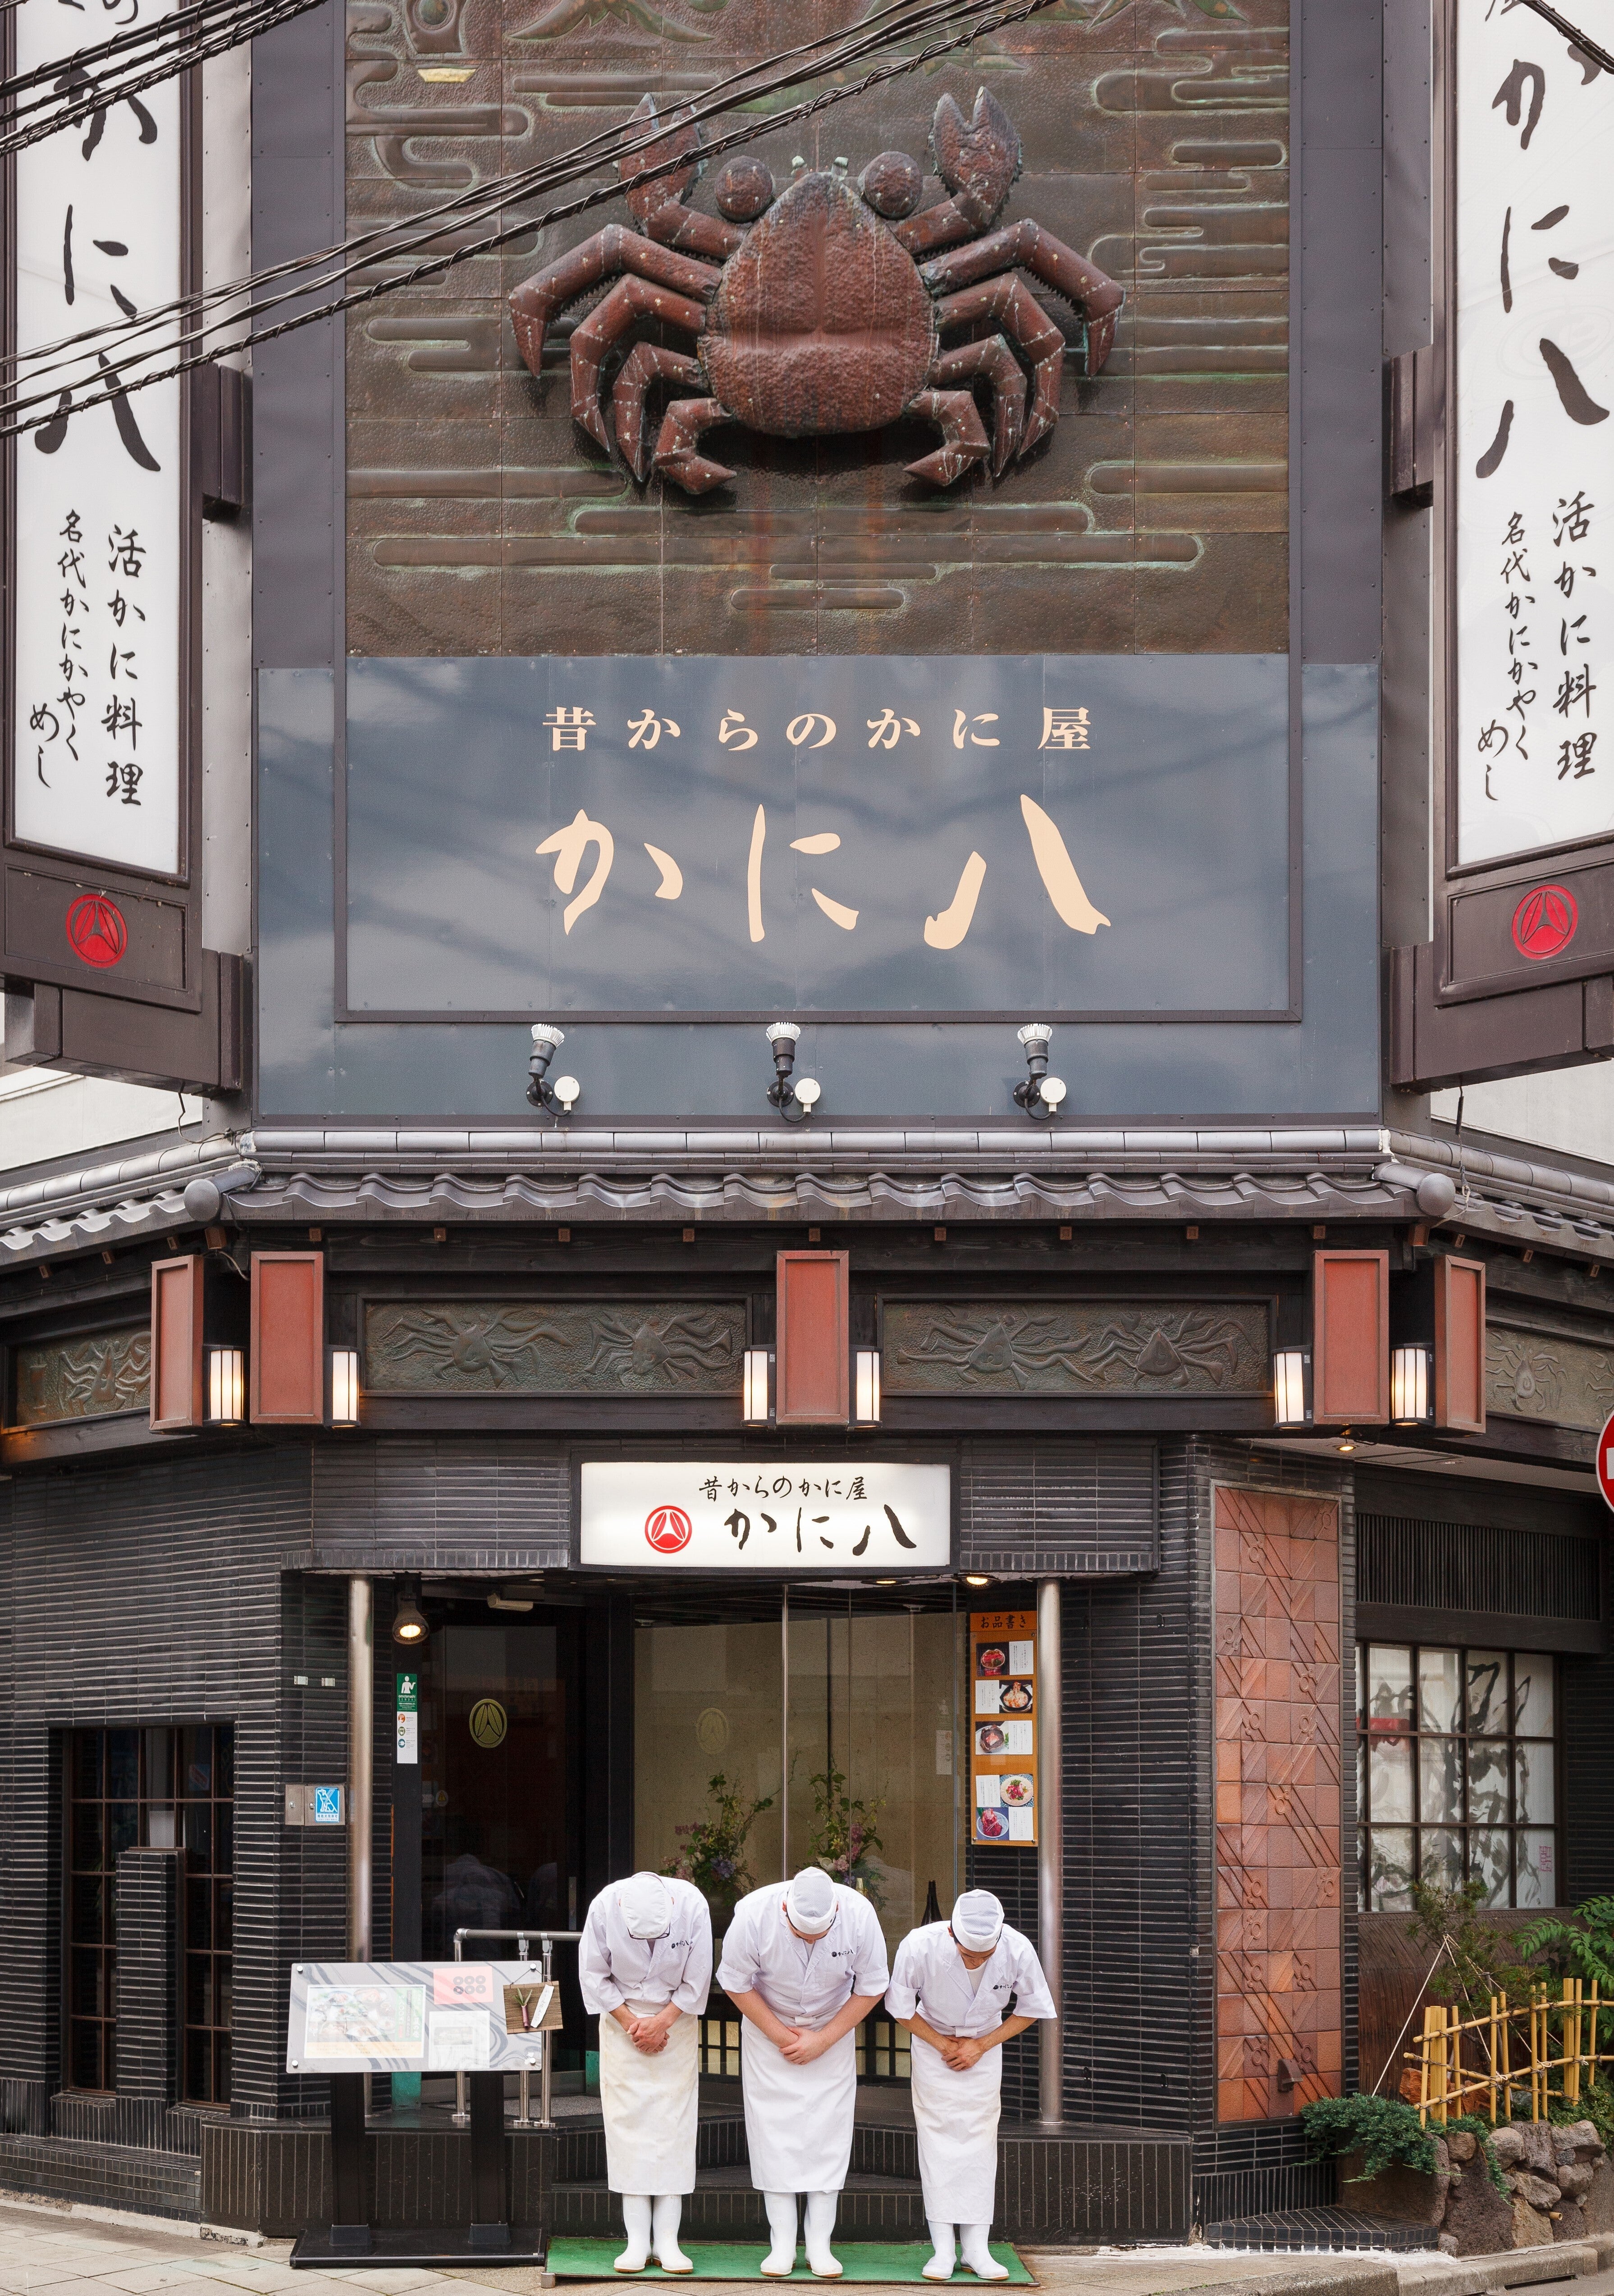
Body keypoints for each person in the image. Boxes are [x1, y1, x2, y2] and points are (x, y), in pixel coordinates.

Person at [716, 1867, 889, 2279]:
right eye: (801, 1934)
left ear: (835, 1913)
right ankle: (781, 2245)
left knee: (828, 2135)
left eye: (819, 1935)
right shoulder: (754, 1913)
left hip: (832, 2027)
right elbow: (734, 1981)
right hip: (768, 2027)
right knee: (772, 2135)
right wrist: (781, 2036)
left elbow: (872, 1985)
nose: (811, 1941)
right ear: (784, 1910)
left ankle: (819, 2245)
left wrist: (823, 2039)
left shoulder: (859, 1914)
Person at [886, 1889, 1056, 2282]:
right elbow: (899, 2006)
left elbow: (1032, 2007)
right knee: (937, 2139)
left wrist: (980, 2045)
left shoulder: (1016, 1947)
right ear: (951, 1933)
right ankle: (943, 2249)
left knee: (980, 2140)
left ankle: (977, 2249)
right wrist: (943, 2044)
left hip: (985, 2044)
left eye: (984, 1955)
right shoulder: (919, 1944)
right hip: (933, 2042)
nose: (976, 1961)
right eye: (968, 1955)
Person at [579, 1870, 713, 2274]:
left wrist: (662, 2022)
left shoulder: (692, 1903)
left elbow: (698, 1976)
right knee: (627, 2127)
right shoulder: (605, 1905)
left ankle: (669, 2241)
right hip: (622, 2020)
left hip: (677, 2019)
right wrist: (633, 2024)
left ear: (671, 1907)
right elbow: (593, 1974)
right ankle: (636, 2241)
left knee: (674, 2127)